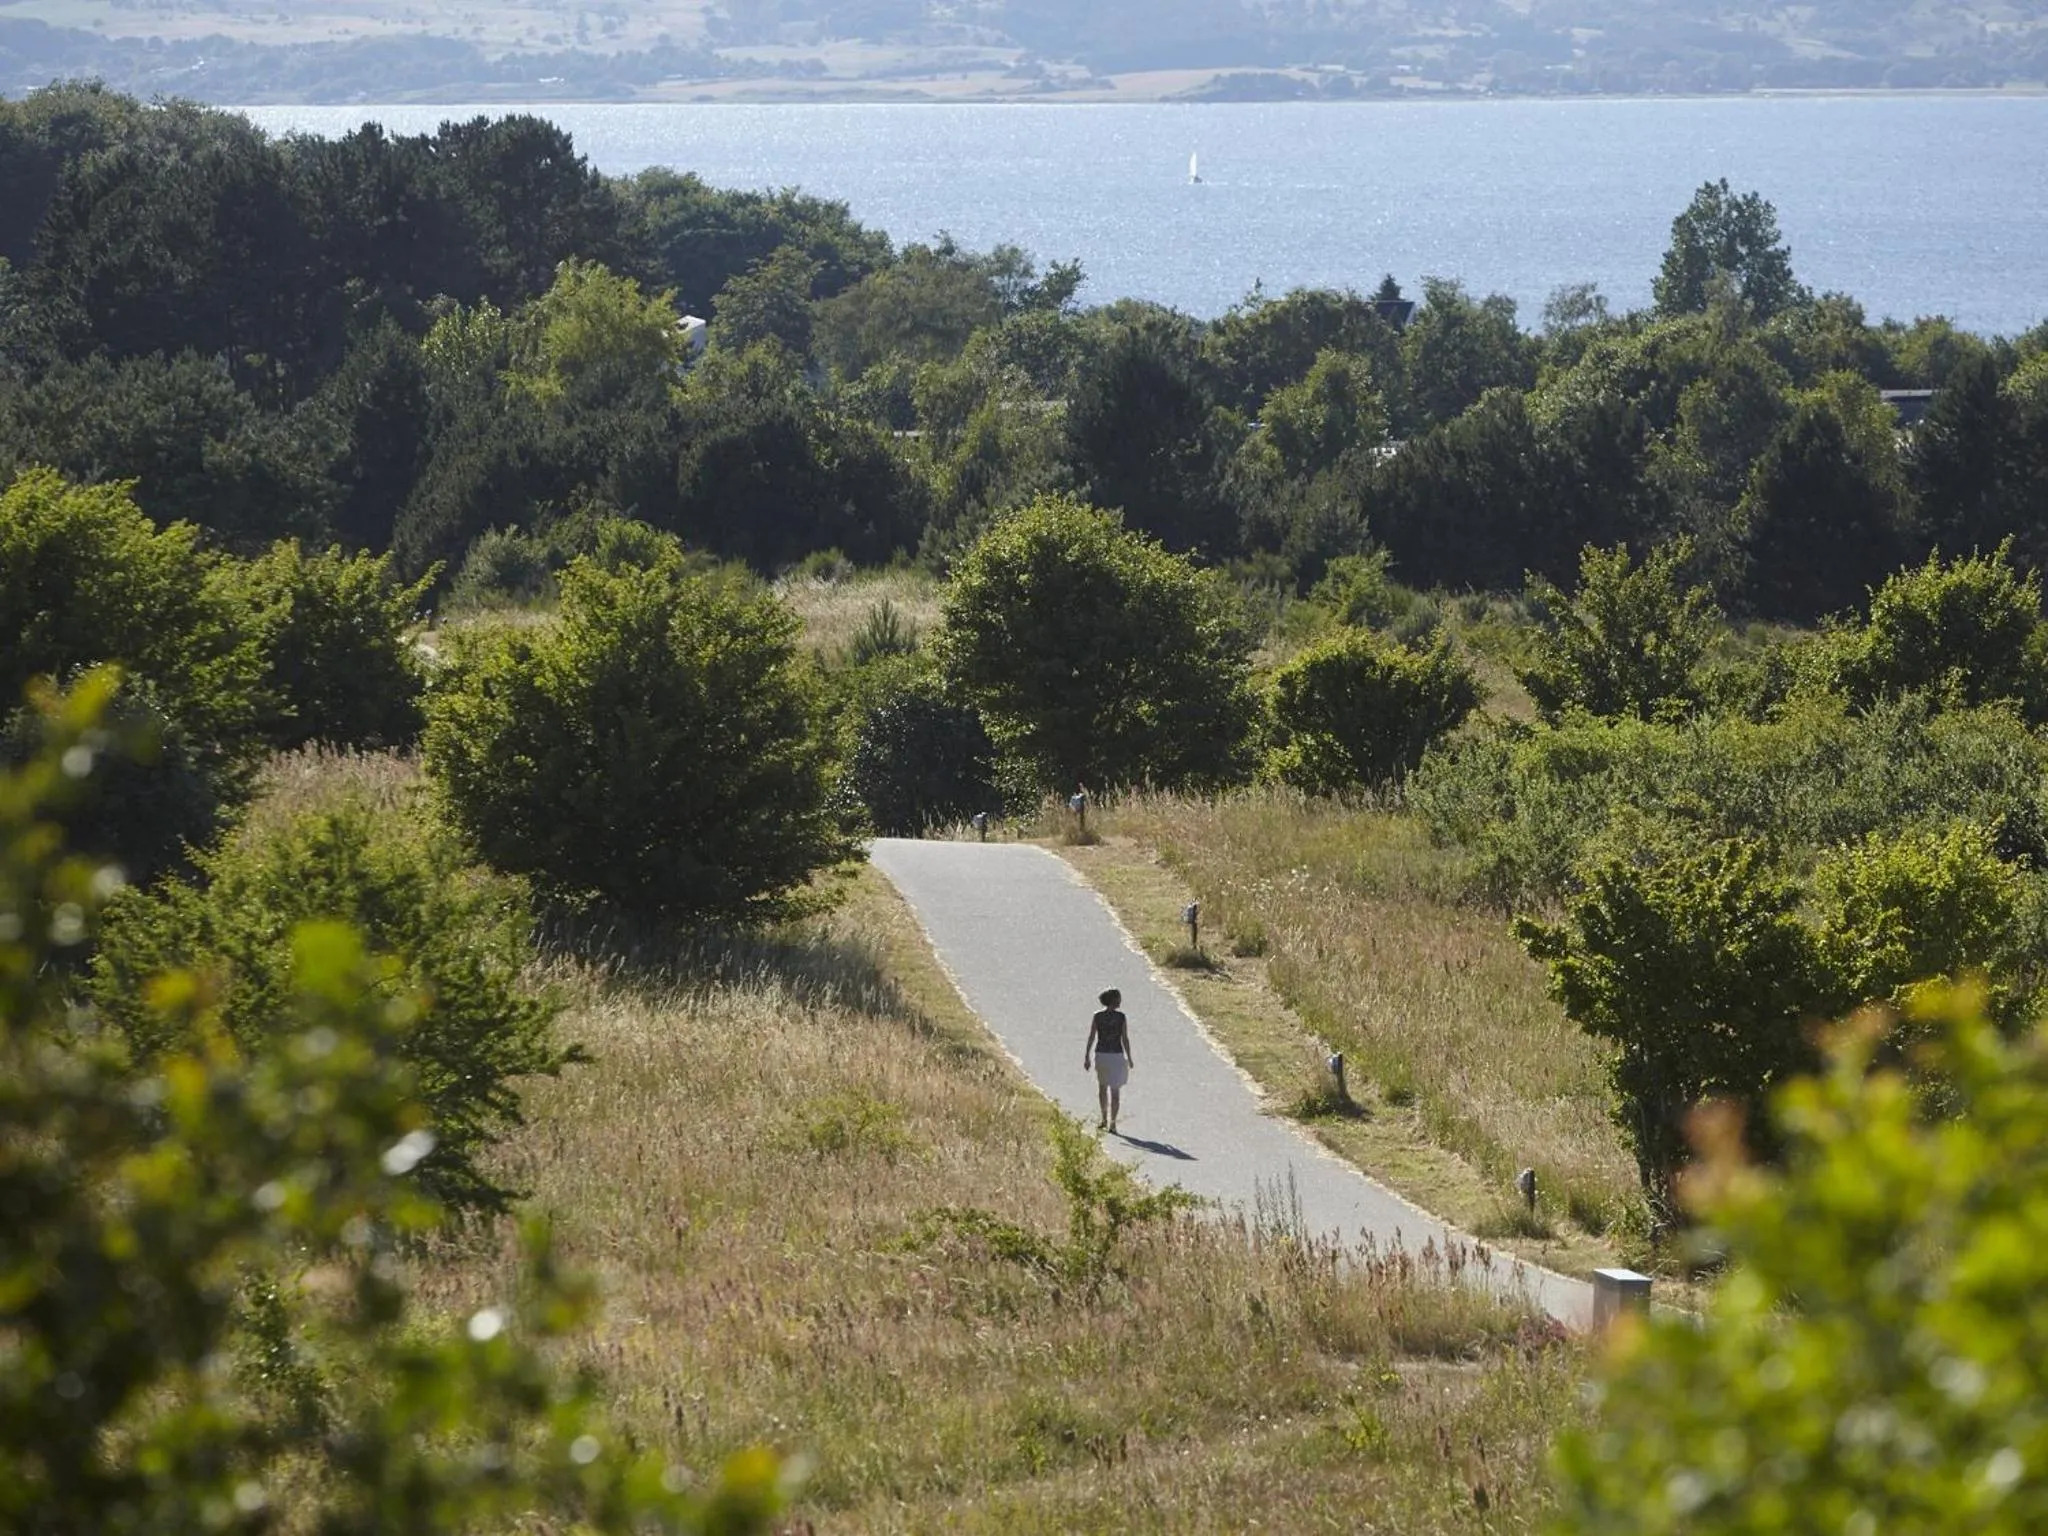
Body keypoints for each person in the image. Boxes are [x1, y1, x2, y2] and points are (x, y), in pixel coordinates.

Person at [1083, 987, 1133, 1132]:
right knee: (1115, 1091)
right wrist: (1129, 1057)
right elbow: (1124, 1039)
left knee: (1102, 1088)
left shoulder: (1097, 1016)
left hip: (1102, 1054)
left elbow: (1092, 1037)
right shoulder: (1121, 1017)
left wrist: (1087, 1056)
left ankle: (1104, 1118)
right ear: (1114, 1000)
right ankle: (1113, 1123)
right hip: (1116, 1055)